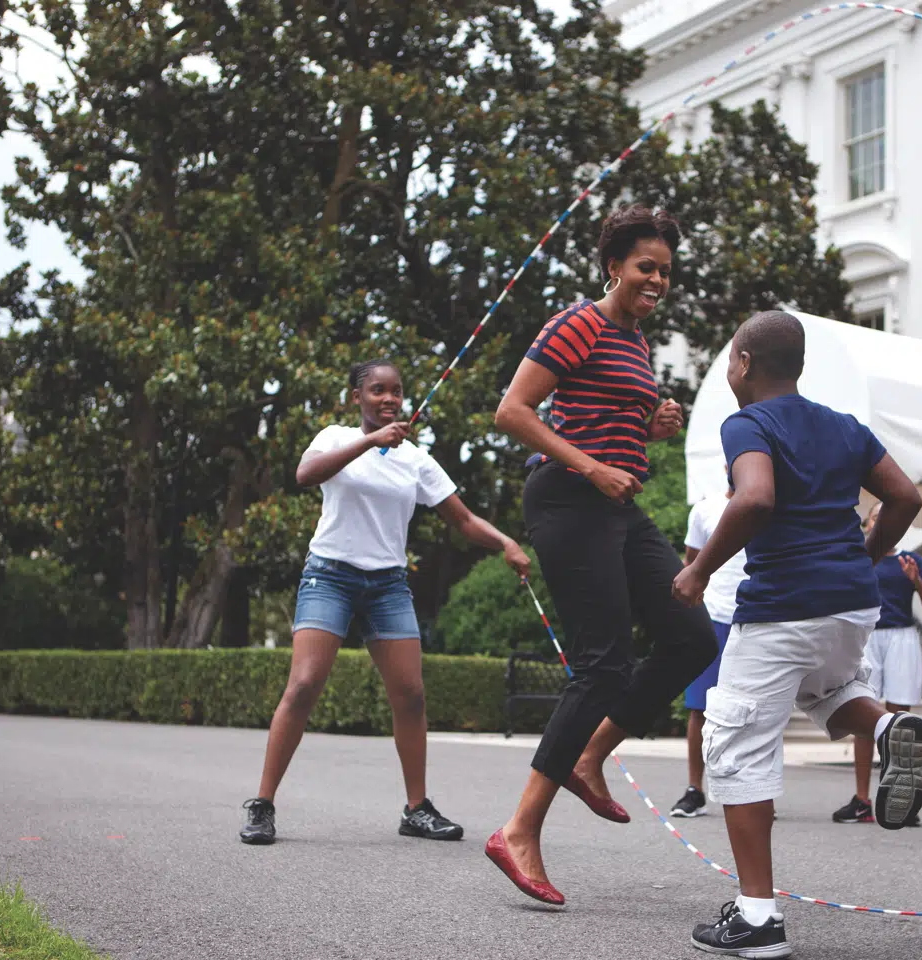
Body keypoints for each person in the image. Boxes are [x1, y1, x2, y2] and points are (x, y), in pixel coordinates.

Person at [670, 310, 922, 960]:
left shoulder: (747, 423)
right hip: (851, 604)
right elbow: (905, 497)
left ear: (744, 362)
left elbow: (754, 498)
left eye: (730, 360)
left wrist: (699, 571)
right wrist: (865, 555)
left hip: (783, 605)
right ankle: (885, 728)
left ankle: (758, 918)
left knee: (734, 746)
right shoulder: (844, 426)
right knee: (831, 688)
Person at [485, 204, 718, 906]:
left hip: (614, 503)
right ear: (614, 265)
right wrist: (590, 467)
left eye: (666, 271)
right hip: (566, 499)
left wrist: (651, 422)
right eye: (646, 267)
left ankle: (591, 754)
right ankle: (519, 830)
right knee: (603, 661)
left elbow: (606, 420)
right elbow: (514, 411)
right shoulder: (578, 322)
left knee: (689, 636)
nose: (657, 279)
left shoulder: (637, 340)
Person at [240, 359, 531, 845]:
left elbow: (462, 520)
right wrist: (369, 442)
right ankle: (263, 804)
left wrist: (505, 542)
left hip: (387, 585)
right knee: (306, 683)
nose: (389, 399)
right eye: (378, 391)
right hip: (329, 575)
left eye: (396, 391)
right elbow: (305, 474)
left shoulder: (416, 460)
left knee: (412, 695)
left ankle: (416, 809)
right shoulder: (335, 437)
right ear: (357, 397)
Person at [832, 501, 922, 826]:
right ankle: (863, 799)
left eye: (886, 518)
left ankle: (899, 800)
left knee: (902, 721)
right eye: (876, 518)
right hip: (866, 636)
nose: (881, 523)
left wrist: (916, 580)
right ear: (868, 524)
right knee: (865, 715)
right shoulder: (858, 555)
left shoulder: (911, 559)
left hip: (901, 637)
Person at [670, 472, 750, 819]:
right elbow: (691, 563)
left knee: (757, 712)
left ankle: (753, 791)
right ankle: (694, 790)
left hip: (754, 618)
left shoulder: (766, 506)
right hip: (713, 616)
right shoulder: (704, 509)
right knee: (699, 708)